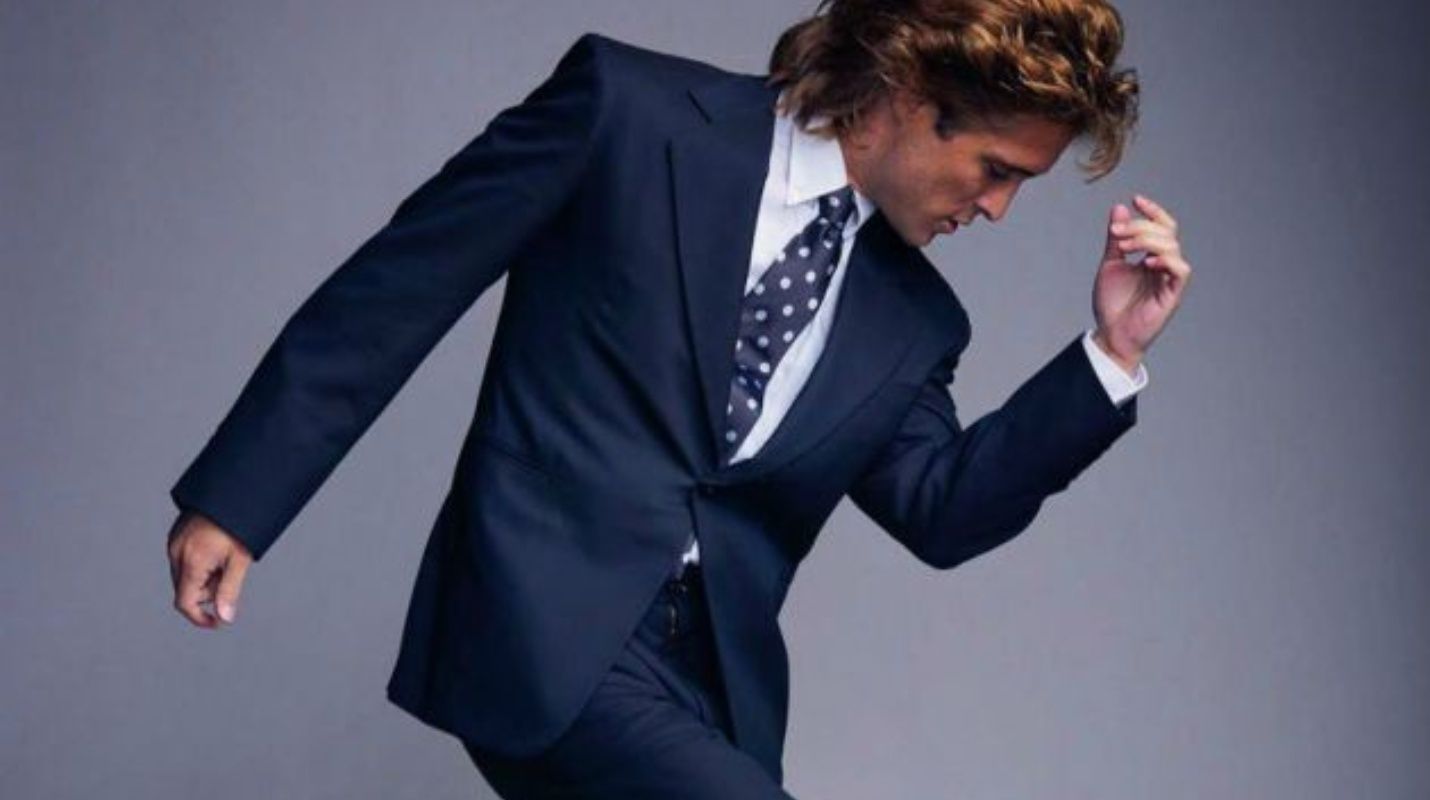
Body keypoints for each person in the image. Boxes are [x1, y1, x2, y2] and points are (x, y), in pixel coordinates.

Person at [165, 0, 1189, 796]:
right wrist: (239, 498)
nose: (998, 209)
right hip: (541, 624)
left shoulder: (915, 319)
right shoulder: (627, 116)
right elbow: (400, 286)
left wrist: (1109, 353)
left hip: (715, 694)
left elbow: (942, 508)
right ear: (909, 91)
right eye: (995, 169)